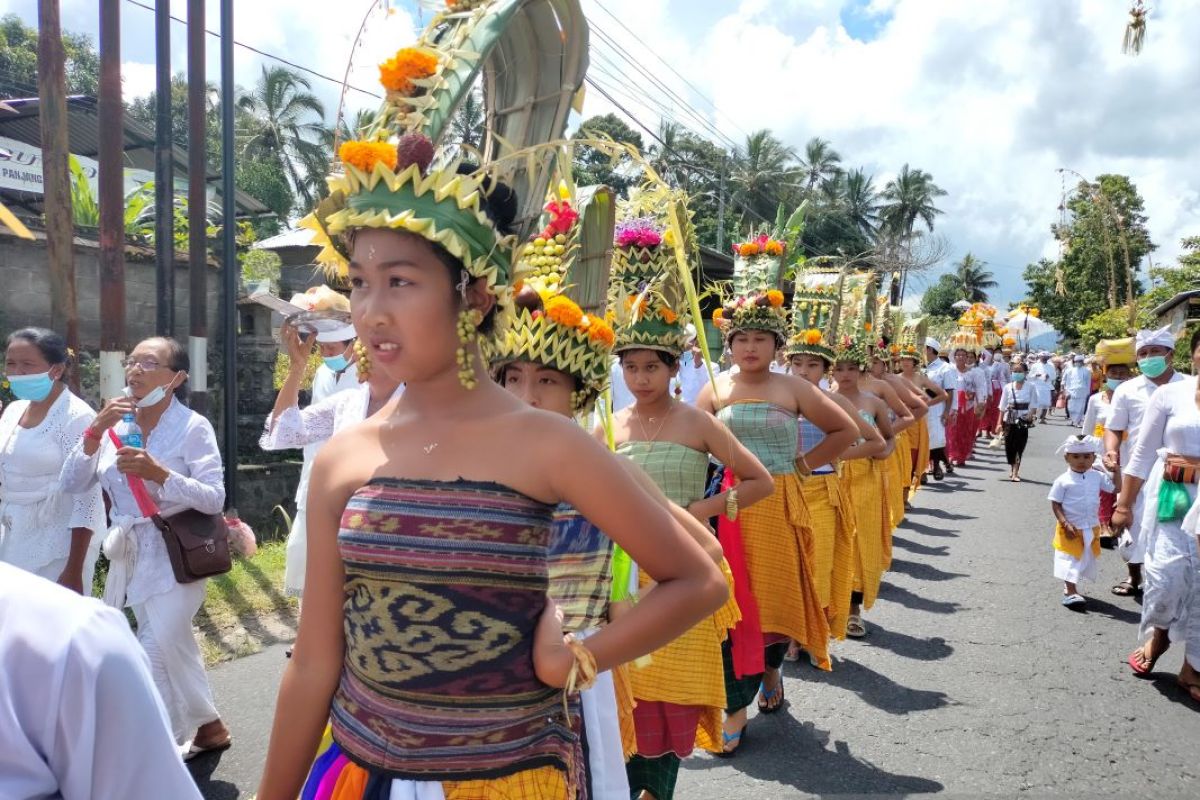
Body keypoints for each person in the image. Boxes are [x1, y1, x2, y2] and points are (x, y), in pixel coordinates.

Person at [256, 19, 727, 793]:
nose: (371, 311)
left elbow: (698, 581)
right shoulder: (347, 453)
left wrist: (575, 659)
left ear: (473, 295)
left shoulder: (548, 444)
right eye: (361, 282)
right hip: (360, 773)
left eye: (400, 281)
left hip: (508, 776)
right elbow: (313, 662)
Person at [603, 221, 773, 784]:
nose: (640, 377)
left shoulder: (698, 422)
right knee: (626, 692)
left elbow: (758, 482)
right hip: (623, 576)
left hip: (685, 564)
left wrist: (702, 512)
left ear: (675, 369)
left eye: (652, 366)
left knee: (669, 696)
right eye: (631, 367)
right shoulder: (610, 427)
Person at [699, 239, 856, 742]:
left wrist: (802, 466)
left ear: (776, 346)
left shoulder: (793, 388)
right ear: (729, 344)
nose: (750, 347)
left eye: (760, 340)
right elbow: (689, 441)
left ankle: (766, 675)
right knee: (726, 603)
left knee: (771, 603)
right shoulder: (715, 389)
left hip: (778, 504)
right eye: (741, 338)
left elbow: (845, 431)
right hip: (724, 506)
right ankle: (734, 705)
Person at [60, 336, 230, 757]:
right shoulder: (113, 426)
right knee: (175, 645)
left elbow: (214, 498)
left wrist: (160, 474)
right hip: (131, 556)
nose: (135, 370)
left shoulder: (193, 427)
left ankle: (154, 753)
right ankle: (209, 727)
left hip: (178, 550)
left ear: (176, 378)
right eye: (132, 362)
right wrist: (94, 431)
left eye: (149, 363)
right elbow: (72, 483)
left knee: (151, 647)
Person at [0, 561, 205, 799]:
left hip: (172, 567)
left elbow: (85, 522)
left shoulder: (76, 643)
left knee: (163, 648)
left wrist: (74, 568)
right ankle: (202, 724)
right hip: (140, 572)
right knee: (172, 648)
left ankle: (183, 732)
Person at [261, 320, 396, 602]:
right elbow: (283, 432)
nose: (365, 356)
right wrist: (297, 369)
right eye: (367, 346)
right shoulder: (347, 402)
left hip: (385, 529)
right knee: (318, 598)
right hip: (327, 509)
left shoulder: (419, 402)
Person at [786, 303, 886, 655]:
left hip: (823, 490)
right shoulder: (776, 402)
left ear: (824, 370)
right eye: (797, 363)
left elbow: (876, 443)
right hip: (784, 492)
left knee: (820, 566)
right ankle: (792, 634)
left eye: (812, 365)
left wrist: (832, 453)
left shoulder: (835, 403)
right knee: (790, 568)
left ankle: (816, 636)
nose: (803, 371)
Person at [1113, 330, 1200, 693]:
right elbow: (1142, 454)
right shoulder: (1170, 394)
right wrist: (1123, 505)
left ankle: (1192, 666)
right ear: (1193, 354)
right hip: (1175, 495)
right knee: (1166, 575)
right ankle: (1159, 634)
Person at [0, 328, 105, 592]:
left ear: (56, 370)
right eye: (11, 363)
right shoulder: (14, 410)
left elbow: (87, 498)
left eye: (27, 364)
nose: (17, 372)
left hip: (58, 545)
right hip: (13, 537)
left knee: (52, 629)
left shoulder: (77, 416)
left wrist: (74, 569)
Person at [1106, 328, 1187, 598]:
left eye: (1155, 352)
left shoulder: (1188, 386)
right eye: (1143, 353)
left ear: (1170, 355)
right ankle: (1134, 576)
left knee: (1173, 523)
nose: (1148, 357)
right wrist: (1111, 452)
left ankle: (1170, 580)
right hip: (1137, 469)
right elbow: (1114, 428)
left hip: (1180, 471)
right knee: (1133, 522)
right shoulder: (1127, 390)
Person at [830, 330, 895, 638]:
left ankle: (853, 610)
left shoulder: (873, 402)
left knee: (860, 543)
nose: (845, 375)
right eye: (839, 368)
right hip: (829, 478)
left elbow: (889, 437)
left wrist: (882, 451)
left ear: (861, 370)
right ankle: (828, 608)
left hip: (865, 479)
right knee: (830, 542)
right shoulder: (821, 399)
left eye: (851, 368)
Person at [1049, 435, 1113, 608]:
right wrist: (1065, 523)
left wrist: (1116, 471)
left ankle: (1069, 587)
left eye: (1086, 457)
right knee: (1068, 557)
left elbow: (1117, 488)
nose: (1081, 461)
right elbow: (1055, 504)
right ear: (1066, 458)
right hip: (1070, 526)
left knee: (1083, 557)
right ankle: (1071, 592)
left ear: (1093, 457)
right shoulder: (1063, 481)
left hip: (1090, 526)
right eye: (1076, 457)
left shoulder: (1097, 476)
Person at [1083, 354, 1133, 544]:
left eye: (1122, 374)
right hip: (1100, 449)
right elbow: (1087, 427)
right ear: (1106, 375)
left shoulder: (1132, 399)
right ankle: (1103, 525)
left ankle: (1117, 523)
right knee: (1103, 486)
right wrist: (1084, 451)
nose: (1118, 377)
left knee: (1120, 488)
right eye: (1114, 373)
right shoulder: (1096, 400)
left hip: (1127, 447)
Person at [944, 338, 987, 468]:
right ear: (954, 356)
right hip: (953, 405)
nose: (961, 357)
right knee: (952, 430)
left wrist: (980, 403)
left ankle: (962, 456)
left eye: (964, 355)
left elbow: (980, 387)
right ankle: (952, 455)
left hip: (968, 406)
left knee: (966, 431)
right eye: (959, 355)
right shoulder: (949, 370)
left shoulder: (975, 372)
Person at [998, 356, 1036, 482]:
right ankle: (1012, 465)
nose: (1017, 373)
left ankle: (1015, 471)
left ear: (1025, 373)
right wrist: (999, 423)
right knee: (1009, 445)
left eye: (1020, 371)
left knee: (1020, 445)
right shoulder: (1008, 387)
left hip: (1023, 420)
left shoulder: (1030, 387)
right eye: (1015, 371)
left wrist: (1031, 414)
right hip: (1009, 419)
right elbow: (1002, 406)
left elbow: (1033, 404)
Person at [924, 338, 953, 480]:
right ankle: (925, 470)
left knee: (936, 439)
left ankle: (936, 467)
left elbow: (950, 391)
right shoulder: (919, 366)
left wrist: (947, 411)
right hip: (918, 408)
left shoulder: (944, 367)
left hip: (937, 408)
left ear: (929, 349)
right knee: (922, 439)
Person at [1062, 354, 1092, 427]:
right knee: (1071, 407)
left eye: (1079, 361)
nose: (1078, 362)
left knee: (1080, 408)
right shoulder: (1069, 370)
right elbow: (1064, 381)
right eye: (1076, 361)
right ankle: (1072, 421)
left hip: (1082, 392)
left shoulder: (1087, 370)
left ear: (1082, 362)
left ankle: (1078, 422)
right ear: (1074, 362)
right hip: (1071, 391)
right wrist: (1065, 391)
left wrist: (1088, 392)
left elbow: (1088, 382)